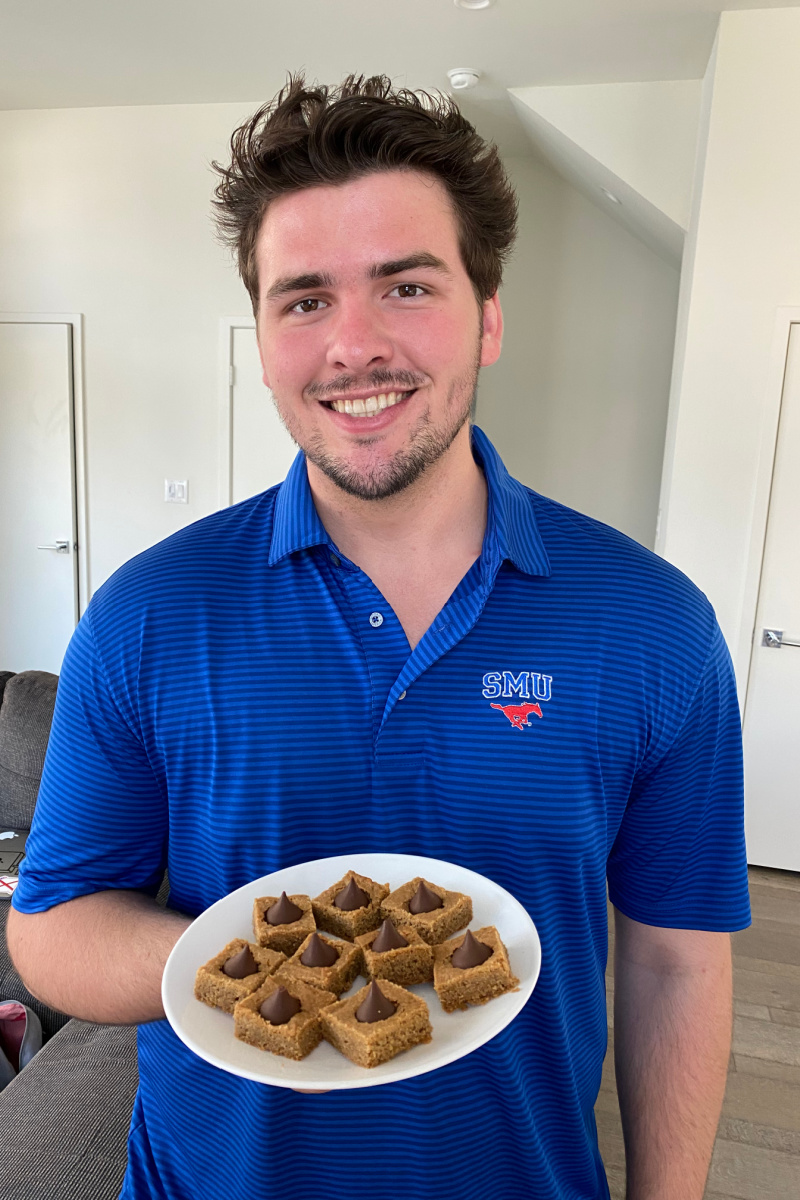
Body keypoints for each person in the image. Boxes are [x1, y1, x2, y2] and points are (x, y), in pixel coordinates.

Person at [8, 75, 749, 1200]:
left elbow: (673, 955)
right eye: (303, 300)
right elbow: (51, 930)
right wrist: (257, 968)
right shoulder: (148, 613)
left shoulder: (650, 623)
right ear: (260, 340)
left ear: (488, 314)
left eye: (405, 285)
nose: (353, 346)